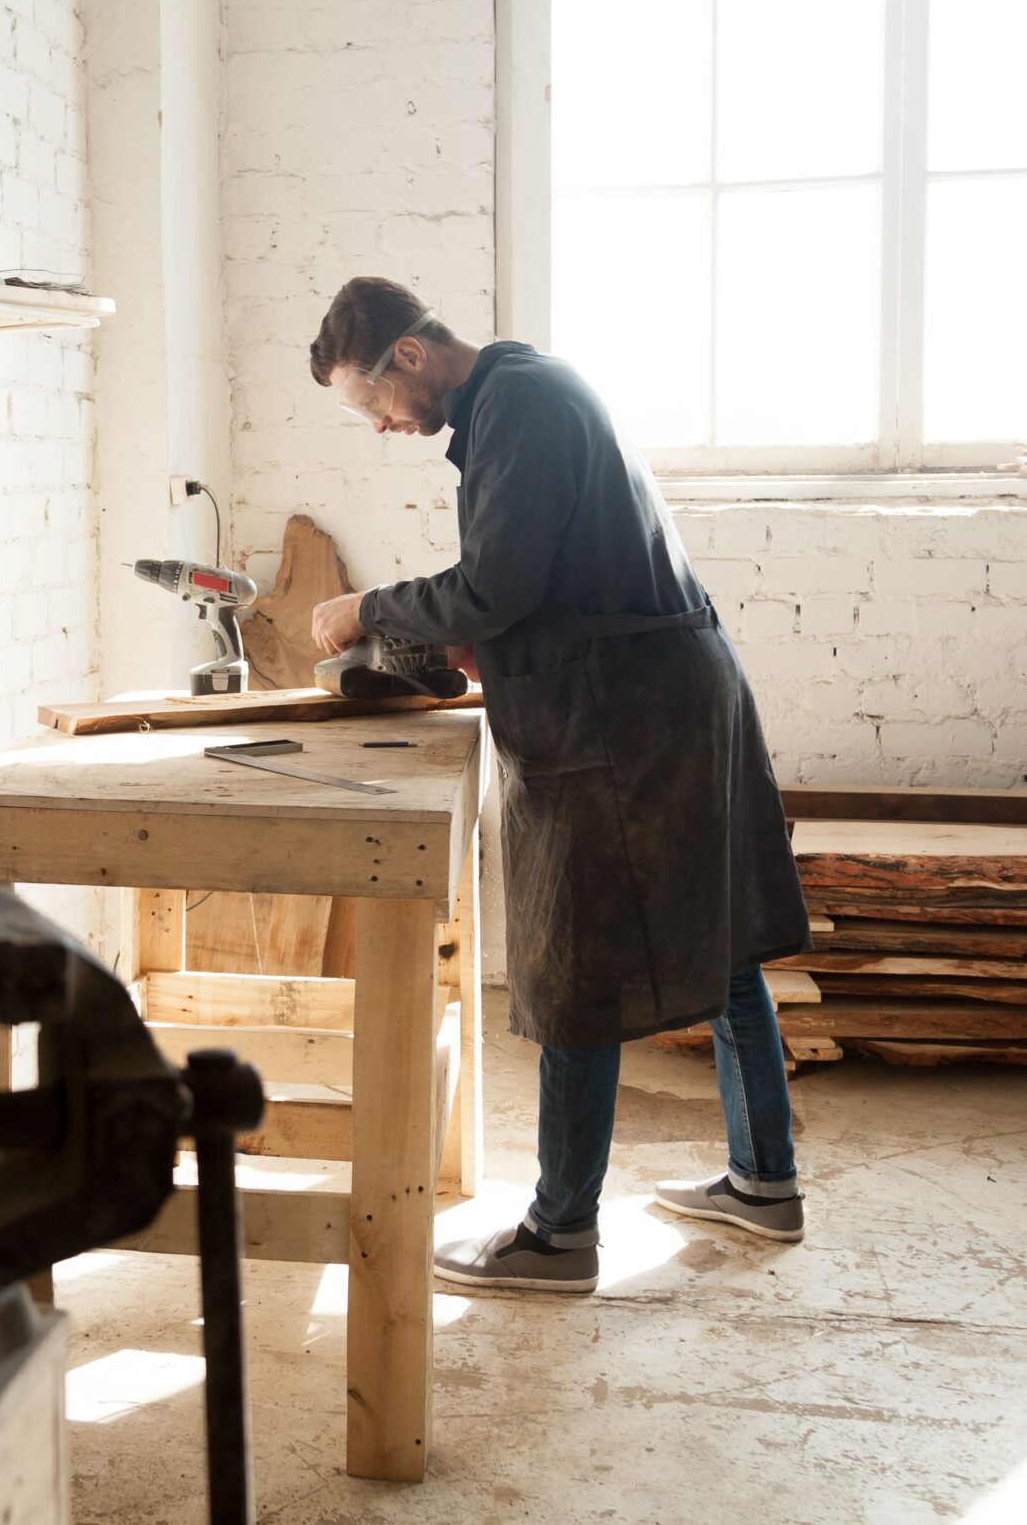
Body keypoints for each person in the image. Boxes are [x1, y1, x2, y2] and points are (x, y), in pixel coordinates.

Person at [305, 278, 814, 1294]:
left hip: (624, 714)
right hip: (664, 694)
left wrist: (371, 606)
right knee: (713, 941)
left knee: (571, 966)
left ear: (406, 358)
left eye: (376, 409)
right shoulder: (522, 395)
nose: (386, 430)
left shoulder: (519, 405)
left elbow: (497, 583)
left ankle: (559, 1235)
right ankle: (765, 1182)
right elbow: (539, 579)